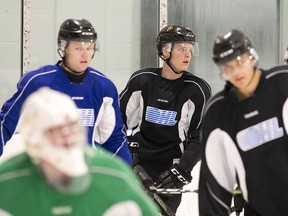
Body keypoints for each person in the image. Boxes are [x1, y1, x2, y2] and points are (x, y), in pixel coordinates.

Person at [0, 87, 159, 216]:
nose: (68, 136)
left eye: (72, 126)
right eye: (56, 130)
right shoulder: (6, 182)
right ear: (34, 140)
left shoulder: (113, 175)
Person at [0, 18, 132, 164]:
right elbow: (5, 124)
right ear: (63, 48)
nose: (85, 54)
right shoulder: (37, 83)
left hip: (84, 171)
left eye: (89, 48)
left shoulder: (103, 87)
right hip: (42, 170)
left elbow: (114, 139)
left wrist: (126, 176)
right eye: (78, 48)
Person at [119, 24, 211, 214]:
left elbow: (200, 136)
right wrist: (128, 156)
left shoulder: (197, 90)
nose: (188, 55)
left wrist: (183, 168)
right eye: (182, 49)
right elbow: (117, 122)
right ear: (165, 51)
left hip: (171, 170)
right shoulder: (142, 81)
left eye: (190, 49)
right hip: (138, 164)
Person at [198, 29, 288, 215]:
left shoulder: (283, 83)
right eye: (227, 67)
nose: (236, 71)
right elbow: (213, 188)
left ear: (252, 56)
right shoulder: (218, 113)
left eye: (239, 61)